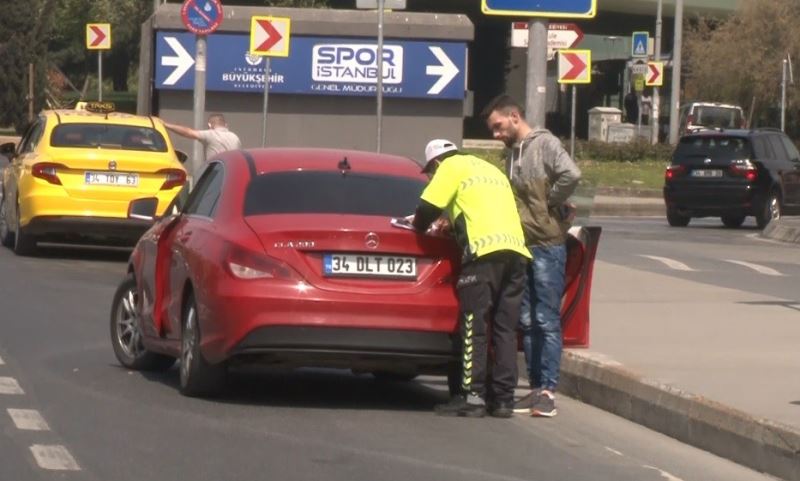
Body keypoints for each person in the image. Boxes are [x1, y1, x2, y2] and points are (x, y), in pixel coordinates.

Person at [411, 139, 531, 418]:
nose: (432, 176)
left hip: (483, 256)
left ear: (436, 163)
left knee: (473, 325)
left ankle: (472, 396)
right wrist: (452, 223)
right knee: (505, 329)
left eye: (431, 172)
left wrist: (418, 226)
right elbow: (481, 209)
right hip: (516, 254)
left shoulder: (450, 167)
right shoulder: (489, 169)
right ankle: (502, 400)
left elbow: (427, 208)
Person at [482, 94, 581, 417]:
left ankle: (548, 391)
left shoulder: (544, 145)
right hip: (520, 244)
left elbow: (572, 174)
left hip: (547, 244)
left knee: (545, 318)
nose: (496, 135)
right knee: (525, 319)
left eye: (498, 127)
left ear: (514, 116)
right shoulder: (511, 154)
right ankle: (537, 387)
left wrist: (551, 203)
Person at [161, 113, 241, 164]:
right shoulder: (235, 137)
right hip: (232, 172)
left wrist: (166, 125)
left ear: (209, 125)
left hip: (215, 173)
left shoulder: (211, 134)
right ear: (226, 125)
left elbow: (188, 132)